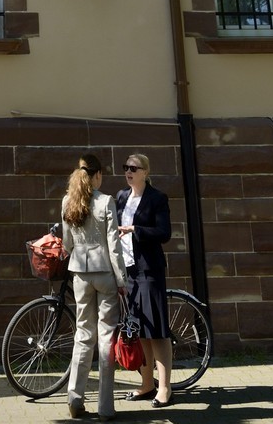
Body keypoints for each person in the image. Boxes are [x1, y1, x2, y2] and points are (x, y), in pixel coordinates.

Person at [61, 152, 126, 421]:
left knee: (83, 335)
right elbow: (114, 245)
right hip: (105, 274)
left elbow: (67, 244)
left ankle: (75, 399)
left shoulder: (67, 200)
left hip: (80, 274)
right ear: (97, 175)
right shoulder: (106, 201)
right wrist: (122, 280)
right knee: (106, 338)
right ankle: (106, 407)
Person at [116, 152, 172, 408]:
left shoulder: (157, 198)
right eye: (126, 167)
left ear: (145, 172)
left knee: (157, 331)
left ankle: (165, 388)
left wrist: (136, 230)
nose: (129, 171)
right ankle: (147, 384)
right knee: (140, 331)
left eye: (134, 168)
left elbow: (164, 233)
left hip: (149, 270)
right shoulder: (121, 197)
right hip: (129, 271)